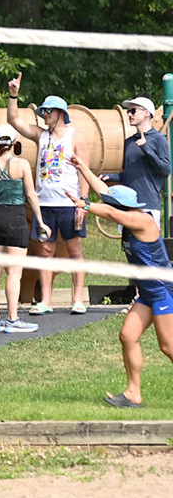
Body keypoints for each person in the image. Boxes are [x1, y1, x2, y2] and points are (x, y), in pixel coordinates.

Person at [69, 156, 173, 407]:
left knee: (168, 346)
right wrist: (82, 167)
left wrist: (85, 205)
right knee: (127, 336)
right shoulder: (125, 213)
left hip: (164, 291)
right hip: (148, 293)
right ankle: (133, 394)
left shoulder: (142, 220)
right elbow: (105, 194)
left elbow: (110, 211)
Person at [6, 75, 87, 314]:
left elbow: (84, 172)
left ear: (60, 113)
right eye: (43, 112)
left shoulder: (76, 136)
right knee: (45, 251)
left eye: (48, 111)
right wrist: (13, 95)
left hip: (69, 203)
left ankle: (78, 299)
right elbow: (13, 120)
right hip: (45, 204)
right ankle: (46, 301)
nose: (44, 115)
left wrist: (83, 203)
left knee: (74, 251)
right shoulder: (41, 135)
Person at [0, 123, 46, 334]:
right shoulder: (21, 164)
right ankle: (13, 318)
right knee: (14, 272)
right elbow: (31, 194)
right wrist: (41, 221)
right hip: (15, 217)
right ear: (14, 142)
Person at [118, 97, 170, 220]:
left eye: (133, 111)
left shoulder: (158, 139)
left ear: (147, 113)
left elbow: (166, 170)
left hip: (148, 206)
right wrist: (109, 176)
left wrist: (146, 149)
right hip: (128, 205)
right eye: (128, 111)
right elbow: (130, 173)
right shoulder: (129, 142)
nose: (129, 115)